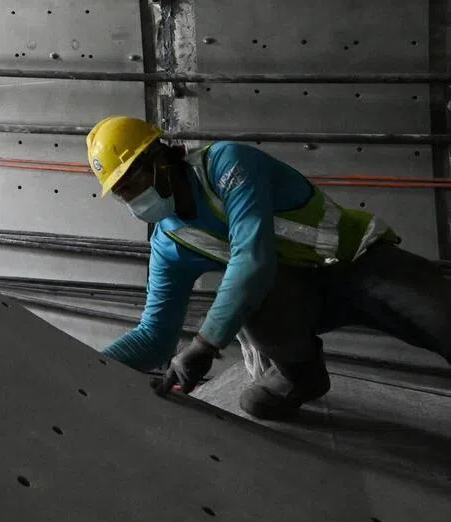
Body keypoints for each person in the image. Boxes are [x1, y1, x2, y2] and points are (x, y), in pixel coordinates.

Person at [85, 115, 451, 420]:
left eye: (135, 180)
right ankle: (301, 377)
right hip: (298, 299)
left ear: (161, 158)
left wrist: (203, 345)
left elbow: (252, 259)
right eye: (122, 191)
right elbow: (154, 336)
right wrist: (86, 371)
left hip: (360, 262)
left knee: (442, 316)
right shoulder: (168, 244)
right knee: (257, 377)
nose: (133, 197)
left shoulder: (226, 165)